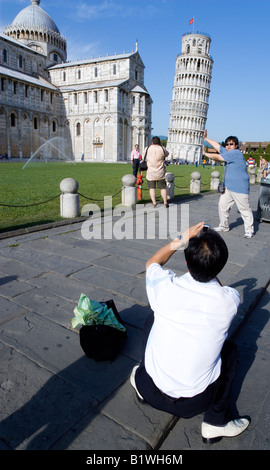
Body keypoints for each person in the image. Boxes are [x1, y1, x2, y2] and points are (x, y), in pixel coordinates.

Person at [130, 223, 250, 443]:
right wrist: (209, 266)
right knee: (231, 352)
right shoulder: (229, 301)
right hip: (193, 402)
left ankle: (141, 384)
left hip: (149, 387)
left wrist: (181, 239)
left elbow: (152, 263)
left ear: (186, 262)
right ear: (220, 267)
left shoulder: (164, 288)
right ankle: (214, 423)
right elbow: (219, 285)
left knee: (152, 319)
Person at [203, 130, 254, 239]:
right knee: (223, 206)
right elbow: (217, 146)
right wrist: (206, 138)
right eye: (227, 144)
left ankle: (249, 231)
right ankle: (224, 226)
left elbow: (218, 157)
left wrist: (205, 154)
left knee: (244, 210)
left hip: (240, 188)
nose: (228, 146)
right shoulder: (227, 151)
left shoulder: (235, 153)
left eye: (231, 144)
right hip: (229, 187)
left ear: (236, 146)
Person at [145, 136, 169, 207]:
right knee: (163, 188)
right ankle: (165, 202)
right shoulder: (162, 148)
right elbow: (167, 154)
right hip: (160, 171)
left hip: (150, 172)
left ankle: (154, 202)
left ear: (152, 142)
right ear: (159, 142)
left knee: (152, 188)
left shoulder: (147, 148)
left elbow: (144, 156)